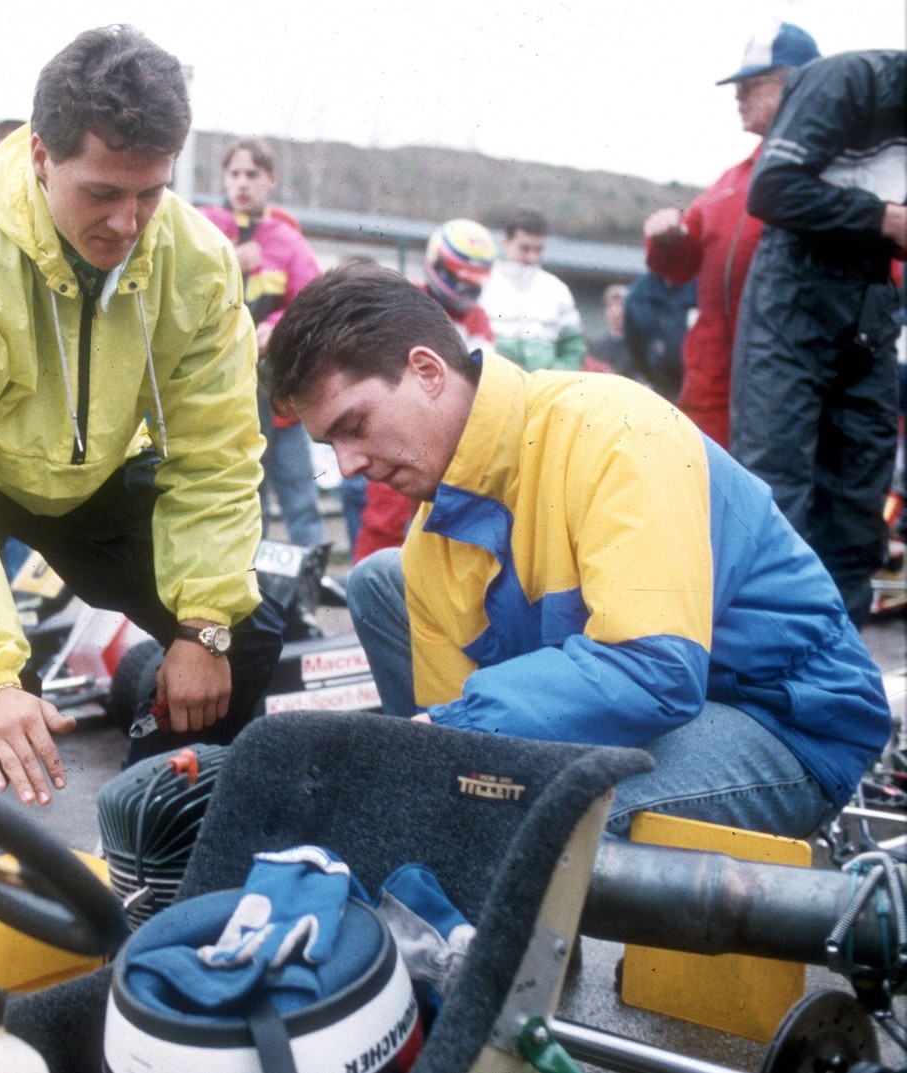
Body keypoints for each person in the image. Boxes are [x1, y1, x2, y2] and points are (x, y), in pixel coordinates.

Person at [265, 262, 890, 839]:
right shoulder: (431, 541)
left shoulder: (616, 430)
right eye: (330, 444)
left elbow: (658, 673)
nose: (347, 466)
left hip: (781, 717)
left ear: (428, 372)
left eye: (354, 425)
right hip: (655, 710)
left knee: (526, 824)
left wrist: (450, 743)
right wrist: (438, 766)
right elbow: (465, 752)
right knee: (464, 804)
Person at [0, 25, 285, 806]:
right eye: (103, 193)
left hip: (93, 468)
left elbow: (215, 456)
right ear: (40, 155)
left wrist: (203, 626)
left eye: (151, 191)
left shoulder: (198, 261)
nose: (128, 223)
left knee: (245, 634)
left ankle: (154, 835)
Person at [730, 49, 907, 625]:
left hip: (871, 305)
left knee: (858, 507)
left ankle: (842, 675)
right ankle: (763, 676)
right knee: (776, 495)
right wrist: (881, 217)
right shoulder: (853, 80)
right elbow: (772, 190)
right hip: (793, 297)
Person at [644, 21, 821, 446]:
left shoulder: (833, 173)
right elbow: (679, 267)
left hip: (790, 388)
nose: (738, 96)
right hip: (713, 389)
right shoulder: (731, 181)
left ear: (799, 87)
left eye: (753, 84)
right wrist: (665, 237)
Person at [198, 138, 326, 549]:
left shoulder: (287, 239)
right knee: (246, 498)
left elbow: (310, 301)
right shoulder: (202, 225)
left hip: (277, 396)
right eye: (234, 173)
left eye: (252, 174)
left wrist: (277, 326)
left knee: (299, 496)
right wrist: (230, 260)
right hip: (219, 394)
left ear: (271, 179)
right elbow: (180, 287)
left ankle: (312, 580)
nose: (242, 184)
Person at [354, 218, 496, 562]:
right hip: (395, 429)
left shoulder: (478, 320)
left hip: (451, 436)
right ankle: (371, 592)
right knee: (384, 518)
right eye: (457, 279)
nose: (463, 290)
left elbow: (486, 378)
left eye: (471, 283)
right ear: (437, 265)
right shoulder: (405, 301)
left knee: (450, 521)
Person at [479, 209, 585, 372]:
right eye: (525, 249)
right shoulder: (482, 283)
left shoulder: (557, 289)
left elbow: (573, 349)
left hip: (545, 391)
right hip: (494, 384)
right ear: (506, 240)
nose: (532, 258)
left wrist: (554, 378)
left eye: (538, 250)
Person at [621, 270, 697, 403]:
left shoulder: (702, 285)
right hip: (659, 389)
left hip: (697, 390)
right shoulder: (638, 295)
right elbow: (634, 349)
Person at [585, 283, 630, 375]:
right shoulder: (597, 348)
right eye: (610, 306)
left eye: (620, 305)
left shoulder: (638, 348)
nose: (615, 311)